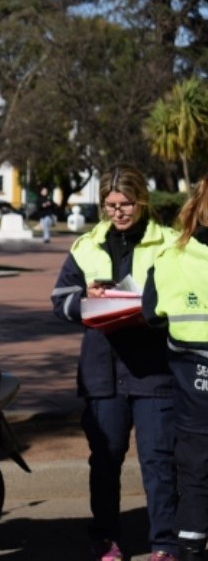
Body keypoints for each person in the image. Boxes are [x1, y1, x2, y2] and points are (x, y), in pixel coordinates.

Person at [51, 164, 180, 561]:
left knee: (159, 460)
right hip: (101, 371)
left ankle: (165, 544)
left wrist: (153, 309)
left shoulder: (171, 243)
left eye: (126, 204)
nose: (118, 212)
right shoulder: (86, 245)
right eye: (110, 205)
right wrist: (87, 300)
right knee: (104, 460)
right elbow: (61, 299)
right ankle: (105, 538)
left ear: (142, 201)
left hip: (153, 369)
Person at [142, 177, 208, 561]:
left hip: (193, 388)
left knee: (196, 481)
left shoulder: (171, 258)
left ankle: (189, 550)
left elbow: (152, 315)